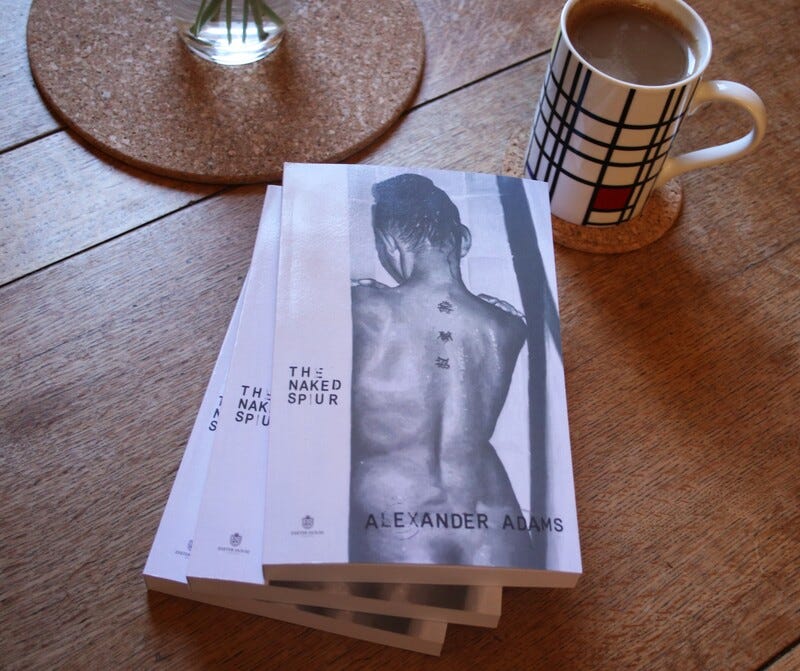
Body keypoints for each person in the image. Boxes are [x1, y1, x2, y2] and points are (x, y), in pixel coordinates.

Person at [349, 173, 534, 567]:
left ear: (389, 244)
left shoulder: (360, 307)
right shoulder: (507, 325)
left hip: (397, 512)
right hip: (494, 515)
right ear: (463, 240)